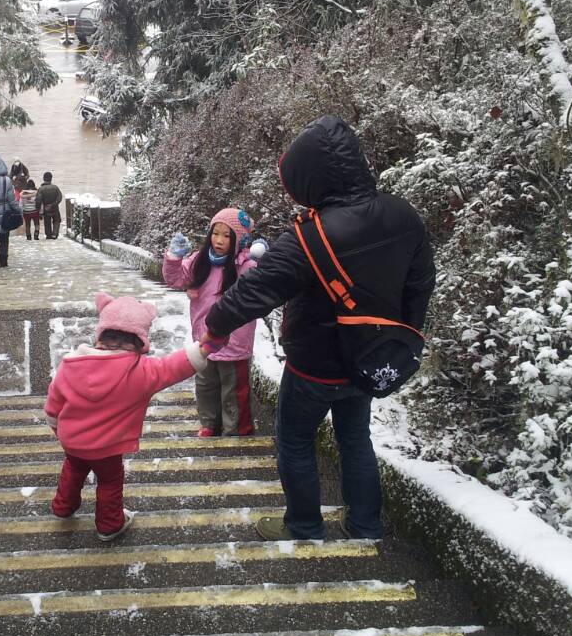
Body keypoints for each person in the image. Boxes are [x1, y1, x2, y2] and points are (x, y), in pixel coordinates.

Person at [204, 116, 436, 542]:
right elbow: (420, 284)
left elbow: (256, 291)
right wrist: (401, 336)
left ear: (310, 178)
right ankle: (365, 525)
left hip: (313, 365)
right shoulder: (404, 216)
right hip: (367, 358)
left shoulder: (310, 237)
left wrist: (214, 328)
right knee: (355, 440)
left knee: (295, 442)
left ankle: (304, 525)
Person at [46, 293, 223, 540]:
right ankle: (109, 525)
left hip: (73, 442)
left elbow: (53, 404)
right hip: (107, 448)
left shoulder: (70, 365)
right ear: (140, 339)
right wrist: (209, 345)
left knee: (73, 469)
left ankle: (63, 507)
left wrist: (57, 429)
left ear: (101, 334)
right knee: (109, 482)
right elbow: (176, 365)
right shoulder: (141, 371)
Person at [162, 208, 263, 437]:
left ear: (240, 240)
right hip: (204, 339)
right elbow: (175, 279)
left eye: (227, 236)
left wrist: (261, 263)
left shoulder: (245, 266)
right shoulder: (200, 260)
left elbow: (261, 288)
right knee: (206, 386)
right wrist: (174, 259)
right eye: (215, 234)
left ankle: (236, 428)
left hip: (234, 342)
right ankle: (209, 423)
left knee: (233, 390)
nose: (219, 240)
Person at [36, 171, 63, 239]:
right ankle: (55, 233)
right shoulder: (55, 187)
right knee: (57, 220)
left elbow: (38, 201)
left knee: (47, 222)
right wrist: (54, 204)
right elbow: (60, 197)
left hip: (45, 208)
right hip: (55, 208)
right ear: (51, 178)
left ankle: (48, 235)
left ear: (43, 178)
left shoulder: (40, 189)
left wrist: (38, 210)